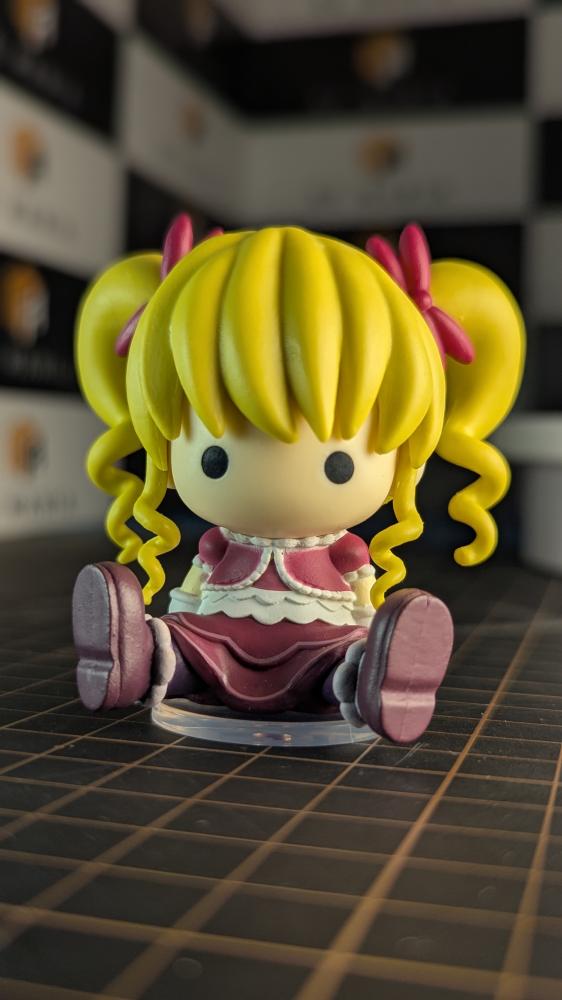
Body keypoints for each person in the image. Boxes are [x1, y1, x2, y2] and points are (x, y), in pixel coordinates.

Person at [72, 217, 525, 744]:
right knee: (183, 646)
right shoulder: (218, 546)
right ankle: (133, 660)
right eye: (215, 459)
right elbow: (192, 597)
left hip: (318, 646)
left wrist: (370, 625)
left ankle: (375, 677)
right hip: (216, 638)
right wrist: (181, 617)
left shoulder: (345, 553)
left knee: (341, 660)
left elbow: (361, 600)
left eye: (338, 465)